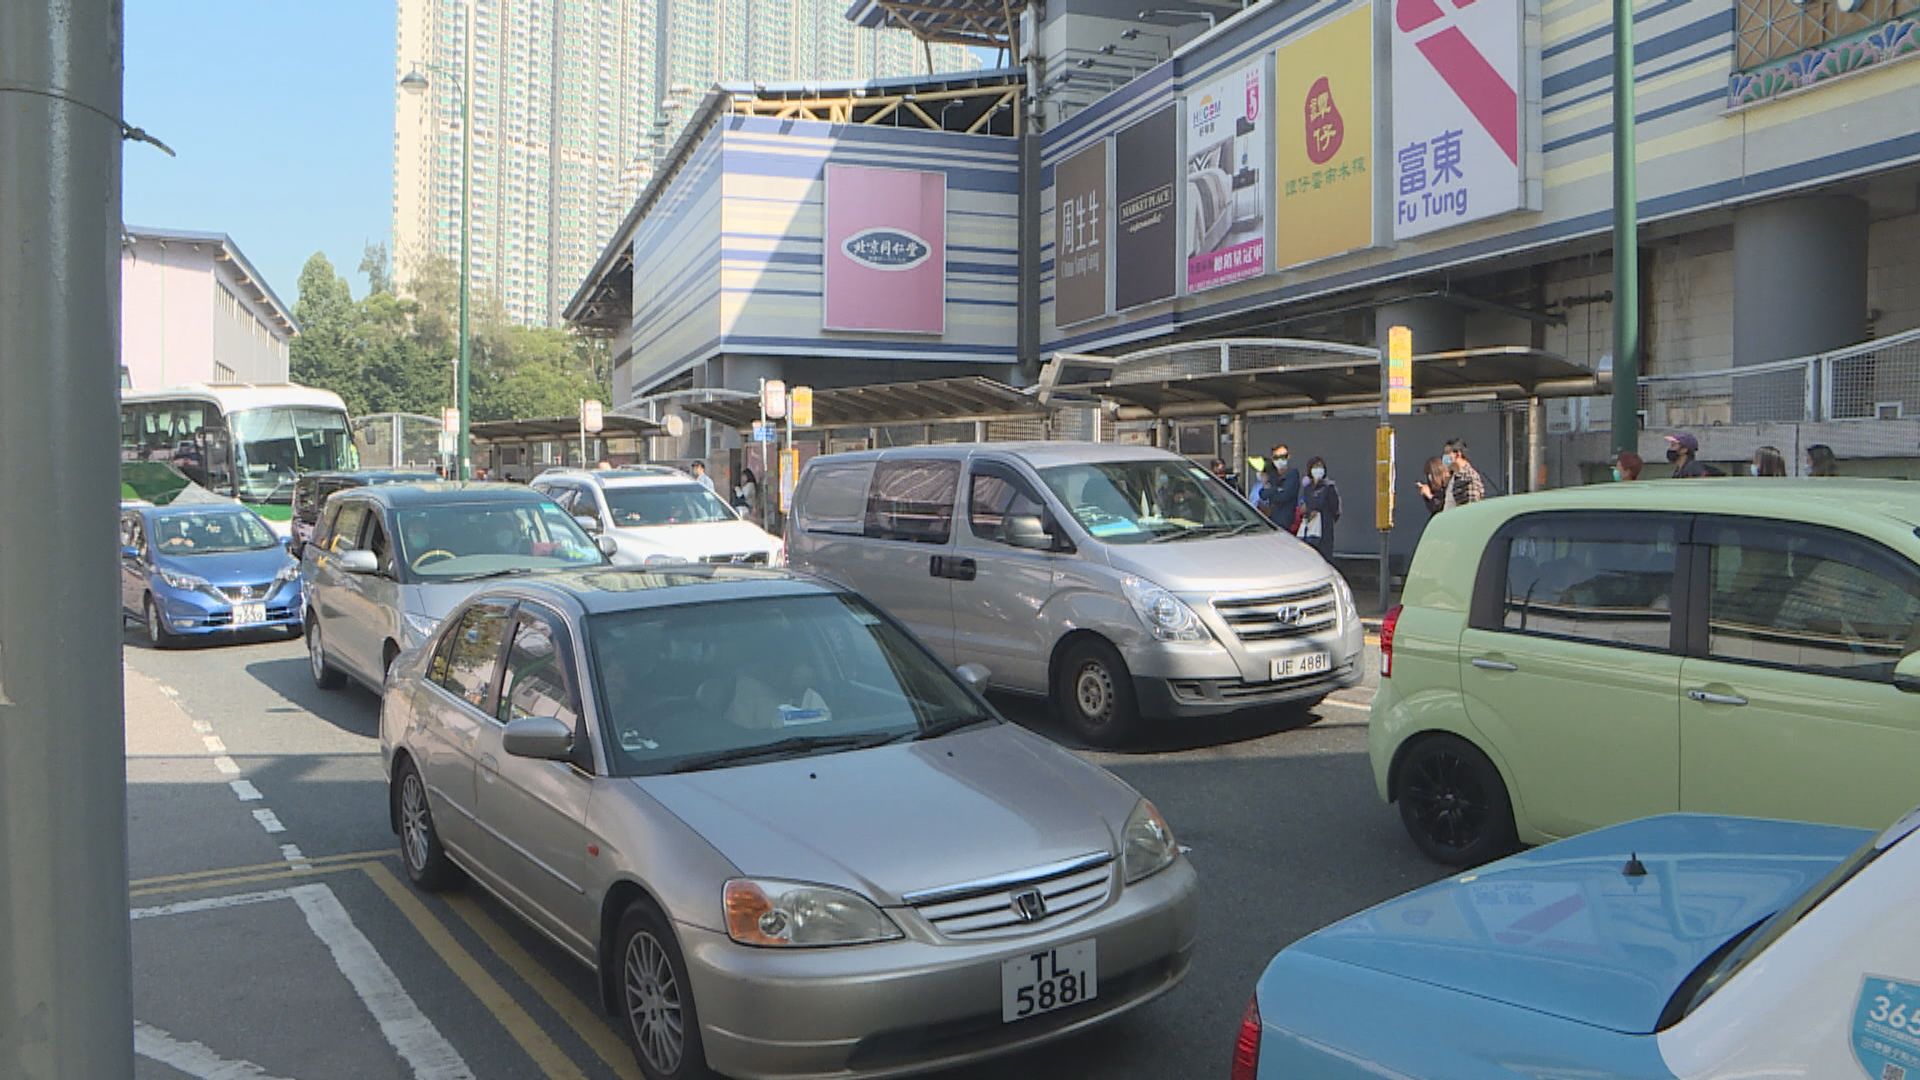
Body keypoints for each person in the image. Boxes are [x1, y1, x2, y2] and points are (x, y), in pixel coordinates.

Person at [1298, 457, 1341, 562]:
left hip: (1325, 527)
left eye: (1320, 466)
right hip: (1310, 527)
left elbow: (1335, 508)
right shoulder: (1308, 488)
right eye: (1315, 466)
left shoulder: (1329, 487)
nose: (1318, 469)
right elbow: (1305, 504)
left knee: (1325, 557)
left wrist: (1327, 518)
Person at [1260, 443, 1302, 532]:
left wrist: (1270, 490)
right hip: (1271, 522)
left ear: (1288, 457)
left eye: (1283, 457)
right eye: (1276, 457)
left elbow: (1284, 496)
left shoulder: (1293, 474)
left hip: (1286, 523)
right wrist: (1276, 489)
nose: (1279, 460)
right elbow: (1262, 494)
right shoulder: (1272, 475)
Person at [1442, 439, 1484, 509]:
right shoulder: (1454, 476)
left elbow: (1472, 508)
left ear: (1458, 454)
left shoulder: (1469, 476)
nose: (1444, 457)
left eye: (1447, 453)